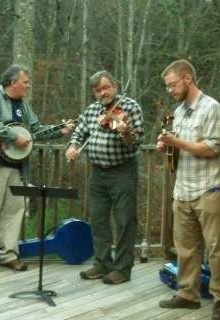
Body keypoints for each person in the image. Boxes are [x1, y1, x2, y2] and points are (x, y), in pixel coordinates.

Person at [0, 64, 74, 272]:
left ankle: (9, 254)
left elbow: (36, 130)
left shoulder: (23, 106)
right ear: (12, 82)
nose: (28, 86)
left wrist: (60, 130)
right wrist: (13, 136)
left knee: (15, 210)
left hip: (18, 167)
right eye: (25, 82)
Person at [156, 60, 220, 319]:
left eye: (172, 84)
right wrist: (166, 146)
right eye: (167, 86)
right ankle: (187, 294)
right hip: (183, 189)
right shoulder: (179, 111)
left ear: (187, 79)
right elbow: (179, 147)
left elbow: (211, 148)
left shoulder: (212, 108)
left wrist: (177, 142)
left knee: (217, 249)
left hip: (210, 189)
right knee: (185, 248)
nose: (170, 90)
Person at [65, 70, 144, 285]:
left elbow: (135, 141)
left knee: (125, 220)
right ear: (94, 93)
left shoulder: (129, 107)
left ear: (114, 87)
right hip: (98, 172)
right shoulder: (91, 111)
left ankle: (122, 268)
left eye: (106, 87)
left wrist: (124, 131)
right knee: (98, 219)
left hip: (122, 171)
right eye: (98, 90)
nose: (103, 93)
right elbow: (79, 132)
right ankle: (102, 263)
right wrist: (72, 147)